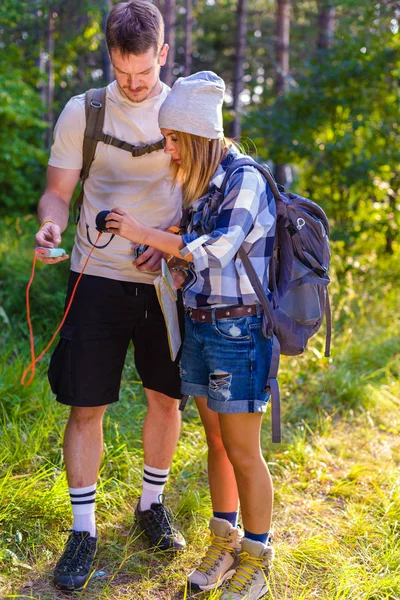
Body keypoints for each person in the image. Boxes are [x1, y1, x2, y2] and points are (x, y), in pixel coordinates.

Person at [105, 71, 276, 600]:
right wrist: (163, 245)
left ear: (198, 135)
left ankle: (257, 557)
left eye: (175, 139)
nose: (170, 150)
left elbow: (218, 248)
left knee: (244, 449)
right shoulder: (203, 183)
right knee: (218, 444)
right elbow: (190, 237)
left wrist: (141, 232)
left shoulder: (244, 178)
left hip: (239, 330)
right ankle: (224, 541)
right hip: (201, 328)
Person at [34, 1, 186, 593]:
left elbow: (205, 204)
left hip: (165, 282)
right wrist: (49, 224)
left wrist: (169, 244)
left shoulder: (186, 114)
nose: (133, 83)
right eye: (122, 72)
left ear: (163, 55)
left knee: (165, 399)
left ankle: (151, 505)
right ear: (111, 58)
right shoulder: (85, 112)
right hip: (95, 276)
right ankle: (82, 529)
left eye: (143, 73)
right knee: (86, 405)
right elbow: (57, 192)